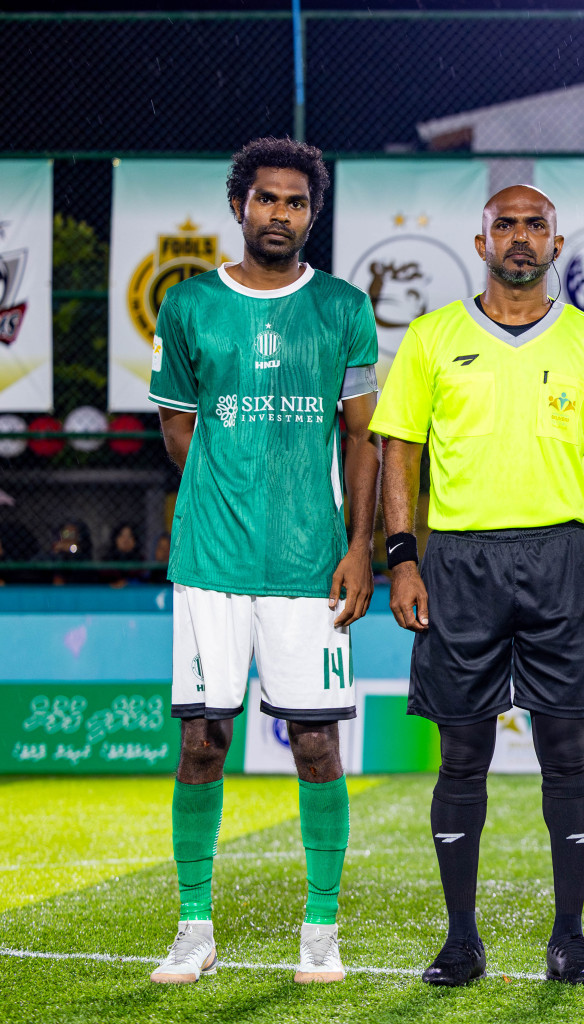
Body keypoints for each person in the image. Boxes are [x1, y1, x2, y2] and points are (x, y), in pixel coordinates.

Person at [371, 184, 584, 987]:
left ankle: (570, 937)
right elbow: (400, 452)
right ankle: (461, 940)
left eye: (535, 226)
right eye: (505, 225)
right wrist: (402, 555)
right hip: (458, 562)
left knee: (566, 751)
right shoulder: (430, 336)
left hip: (562, 558)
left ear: (558, 243)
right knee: (463, 756)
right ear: (481, 239)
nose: (520, 238)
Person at [147, 137, 381, 985]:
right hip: (211, 562)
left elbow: (361, 441)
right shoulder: (189, 306)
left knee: (315, 745)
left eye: (296, 203)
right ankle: (194, 925)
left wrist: (359, 547)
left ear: (313, 215)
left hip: (311, 566)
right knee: (204, 742)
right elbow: (178, 425)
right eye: (266, 199)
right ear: (238, 205)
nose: (280, 214)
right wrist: (223, 489)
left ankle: (320, 928)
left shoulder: (345, 308)